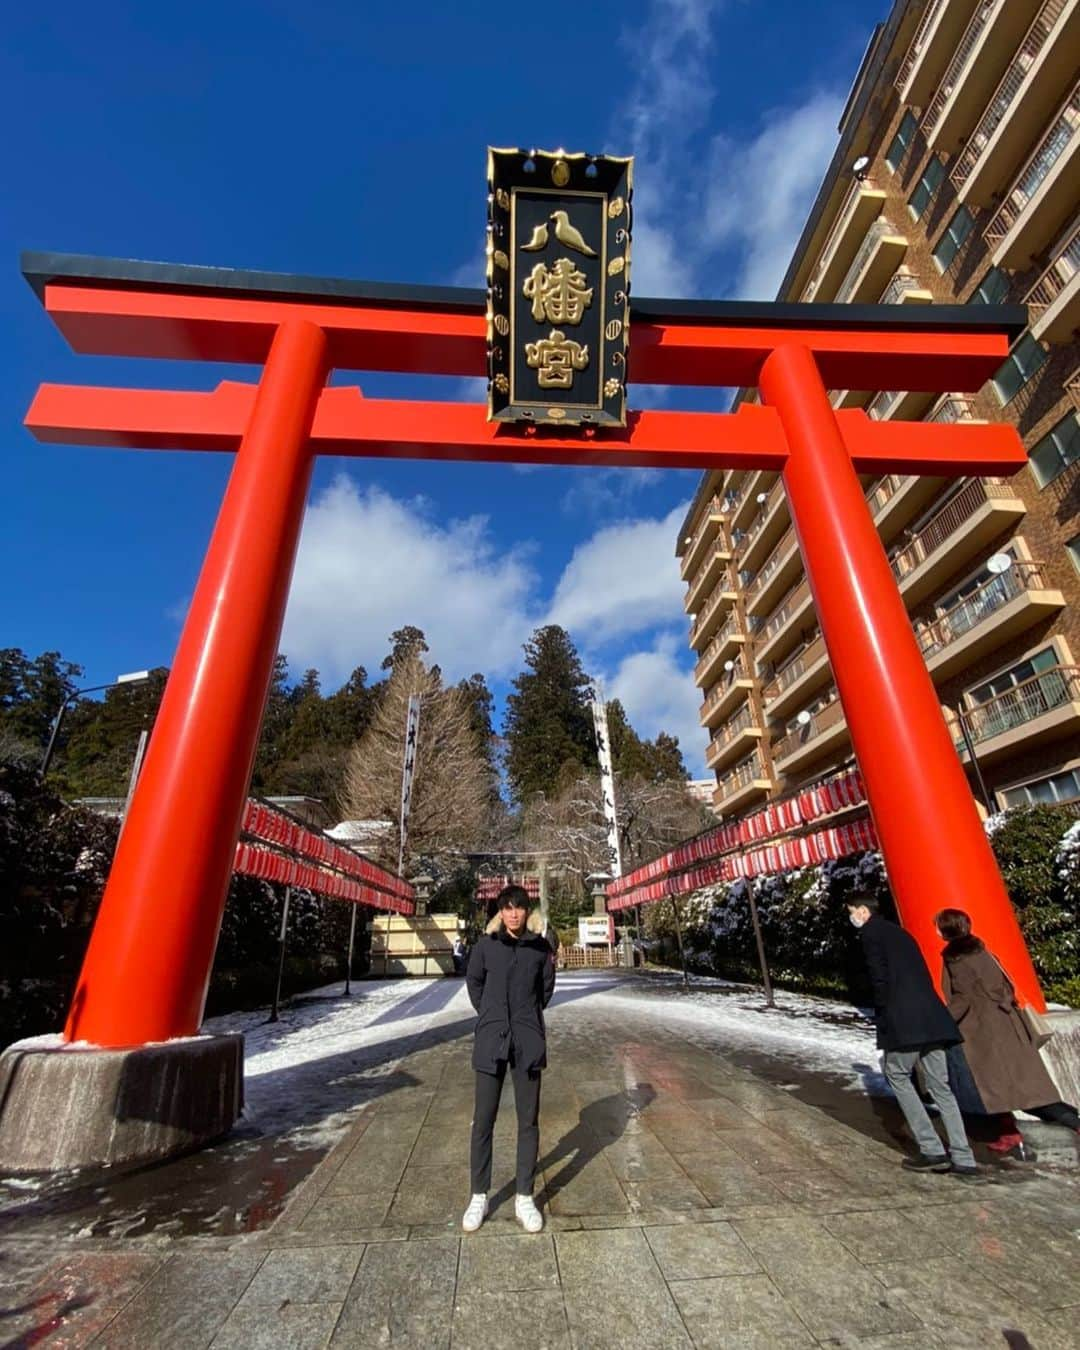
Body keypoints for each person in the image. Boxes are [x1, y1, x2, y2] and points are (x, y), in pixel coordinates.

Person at [846, 894, 978, 1178]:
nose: (852, 917)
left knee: (896, 1074)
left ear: (862, 910)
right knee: (941, 1086)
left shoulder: (871, 934)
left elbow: (878, 977)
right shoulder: (901, 934)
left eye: (853, 911)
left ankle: (931, 1148)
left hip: (904, 1019)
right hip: (933, 1016)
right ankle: (964, 1156)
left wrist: (881, 1012)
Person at [935, 907, 1079, 1156]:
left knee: (1025, 1094)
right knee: (1002, 1089)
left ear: (946, 929)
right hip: (1006, 1026)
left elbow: (963, 997)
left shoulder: (958, 959)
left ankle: (1073, 1123)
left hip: (986, 1033)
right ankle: (1008, 1133)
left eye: (938, 925)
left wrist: (940, 1021)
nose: (935, 929)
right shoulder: (982, 951)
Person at [462, 884, 555, 1234]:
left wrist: (526, 1018)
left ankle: (524, 1196)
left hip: (527, 1042)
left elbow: (546, 990)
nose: (514, 914)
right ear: (500, 912)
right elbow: (475, 984)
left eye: (519, 908)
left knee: (528, 1121)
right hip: (491, 1041)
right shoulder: (486, 947)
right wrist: (491, 1015)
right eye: (508, 908)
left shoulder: (539, 948)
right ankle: (478, 1194)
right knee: (482, 1120)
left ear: (527, 912)